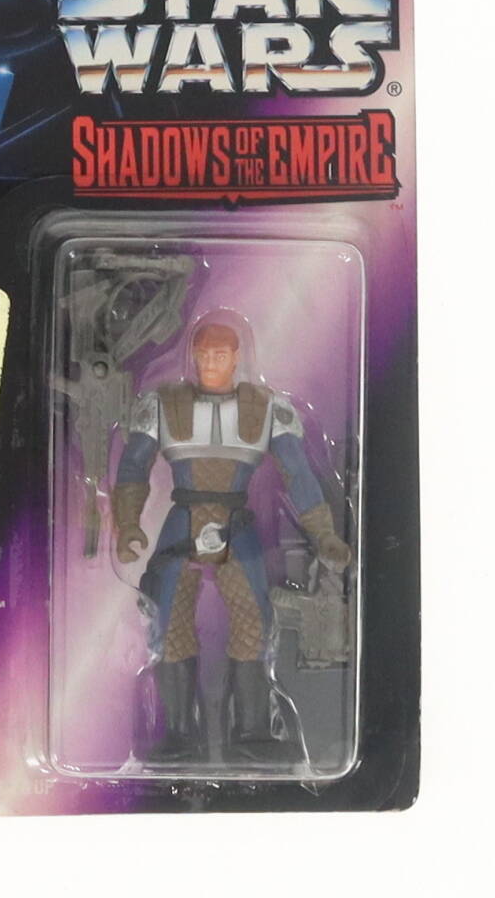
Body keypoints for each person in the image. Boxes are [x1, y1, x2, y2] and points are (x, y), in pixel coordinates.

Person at [112, 321, 351, 765]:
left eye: (220, 355)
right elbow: (132, 468)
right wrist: (127, 525)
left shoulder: (267, 408)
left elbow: (298, 475)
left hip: (237, 524)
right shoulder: (163, 404)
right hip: (182, 521)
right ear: (194, 354)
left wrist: (323, 534)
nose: (210, 363)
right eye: (203, 354)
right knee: (169, 620)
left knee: (254, 621)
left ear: (236, 357)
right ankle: (177, 733)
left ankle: (254, 729)